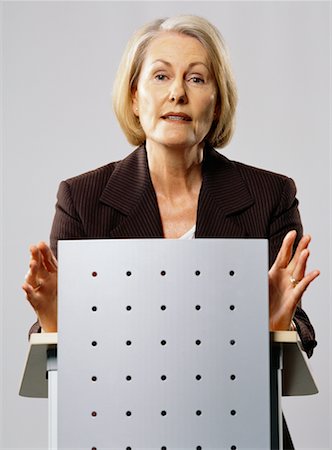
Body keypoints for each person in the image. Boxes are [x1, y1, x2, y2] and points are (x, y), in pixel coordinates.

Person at [22, 15, 319, 448]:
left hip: (244, 433)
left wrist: (274, 320)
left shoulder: (269, 194)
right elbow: (51, 357)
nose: (177, 92)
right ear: (135, 96)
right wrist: (54, 319)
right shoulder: (82, 198)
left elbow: (298, 333)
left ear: (216, 102)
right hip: (119, 436)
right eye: (160, 76)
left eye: (197, 78)